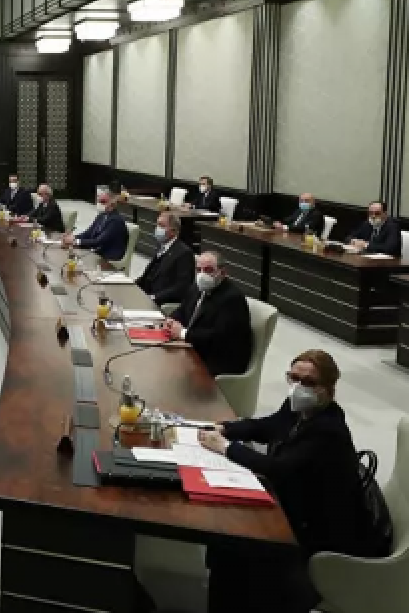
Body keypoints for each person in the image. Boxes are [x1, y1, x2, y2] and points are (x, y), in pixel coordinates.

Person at [198, 350, 389, 613]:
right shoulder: (297, 409)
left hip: (320, 533)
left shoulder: (328, 431)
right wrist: (227, 429)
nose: (299, 388)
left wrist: (226, 448)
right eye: (294, 378)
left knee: (236, 547)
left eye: (309, 382)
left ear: (328, 389)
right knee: (227, 545)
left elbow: (278, 469)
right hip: (296, 508)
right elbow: (267, 427)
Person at [162, 251, 252, 377]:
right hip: (195, 346)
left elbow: (219, 337)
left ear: (223, 272)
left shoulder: (232, 299)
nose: (202, 274)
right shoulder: (197, 287)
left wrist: (183, 333)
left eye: (208, 270)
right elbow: (182, 310)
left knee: (174, 374)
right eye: (199, 270)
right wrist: (171, 320)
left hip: (218, 359)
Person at [136, 212, 194, 305]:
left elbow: (182, 287)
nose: (157, 228)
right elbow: (148, 276)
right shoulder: (162, 246)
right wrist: (131, 285)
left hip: (161, 302)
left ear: (173, 231)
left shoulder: (184, 253)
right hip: (146, 295)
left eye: (161, 226)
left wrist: (154, 297)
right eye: (157, 224)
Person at [62, 192, 128, 261]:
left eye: (103, 202)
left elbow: (99, 241)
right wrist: (73, 237)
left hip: (109, 255)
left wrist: (75, 241)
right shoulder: (102, 216)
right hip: (98, 249)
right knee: (69, 253)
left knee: (76, 257)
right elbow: (88, 233)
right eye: (98, 201)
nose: (99, 204)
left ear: (112, 204)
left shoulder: (116, 220)